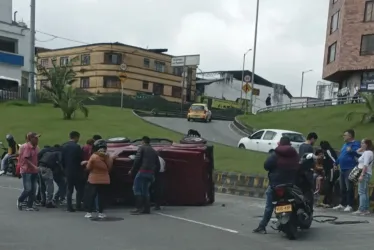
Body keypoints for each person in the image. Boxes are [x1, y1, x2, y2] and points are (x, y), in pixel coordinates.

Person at [253, 136, 300, 234]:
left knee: (269, 206)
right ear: (289, 144)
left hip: (276, 184)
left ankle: (262, 226)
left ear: (280, 144)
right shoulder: (294, 154)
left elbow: (266, 166)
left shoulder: (275, 155)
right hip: (290, 184)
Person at [129, 136, 161, 215]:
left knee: (137, 189)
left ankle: (138, 208)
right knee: (146, 191)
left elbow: (137, 160)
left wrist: (132, 170)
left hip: (143, 171)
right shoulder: (154, 151)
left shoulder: (142, 148)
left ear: (143, 142)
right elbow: (158, 164)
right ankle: (146, 209)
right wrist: (154, 173)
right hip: (150, 173)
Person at [84, 139, 116, 219]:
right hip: (105, 179)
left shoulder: (94, 157)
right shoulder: (108, 157)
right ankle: (101, 212)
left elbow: (88, 167)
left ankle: (89, 212)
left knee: (91, 196)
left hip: (93, 179)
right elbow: (109, 167)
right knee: (102, 197)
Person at [333, 129, 361, 212]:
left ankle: (350, 204)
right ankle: (342, 203)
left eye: (345, 135)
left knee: (349, 187)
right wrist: (335, 163)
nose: (343, 137)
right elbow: (341, 155)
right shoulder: (345, 145)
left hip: (350, 168)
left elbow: (359, 154)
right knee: (342, 187)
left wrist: (351, 151)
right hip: (342, 168)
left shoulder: (355, 144)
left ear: (350, 136)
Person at [17, 132, 40, 211]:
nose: (37, 139)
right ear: (31, 139)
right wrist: (34, 166)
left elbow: (37, 158)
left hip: (34, 171)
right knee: (28, 189)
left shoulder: (36, 147)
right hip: (26, 170)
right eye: (35, 138)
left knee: (33, 189)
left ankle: (29, 205)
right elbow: (26, 159)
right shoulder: (27, 147)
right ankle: (20, 200)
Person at [62, 131, 84, 212]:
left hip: (68, 170)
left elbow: (61, 159)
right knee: (79, 189)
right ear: (76, 137)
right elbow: (80, 158)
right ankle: (78, 205)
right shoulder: (77, 147)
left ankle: (69, 206)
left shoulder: (64, 146)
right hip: (77, 170)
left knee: (69, 189)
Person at [352, 139, 374, 215]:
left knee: (361, 191)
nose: (361, 144)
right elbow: (358, 151)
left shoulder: (367, 153)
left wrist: (362, 175)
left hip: (364, 173)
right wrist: (362, 148)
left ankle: (362, 209)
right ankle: (366, 208)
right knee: (365, 192)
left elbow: (365, 164)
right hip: (367, 173)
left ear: (367, 144)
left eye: (363, 143)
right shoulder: (368, 152)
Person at [319, 140, 338, 208]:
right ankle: (325, 201)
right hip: (328, 171)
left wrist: (335, 165)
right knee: (327, 185)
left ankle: (329, 202)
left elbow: (333, 159)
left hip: (331, 170)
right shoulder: (325, 152)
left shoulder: (328, 151)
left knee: (329, 185)